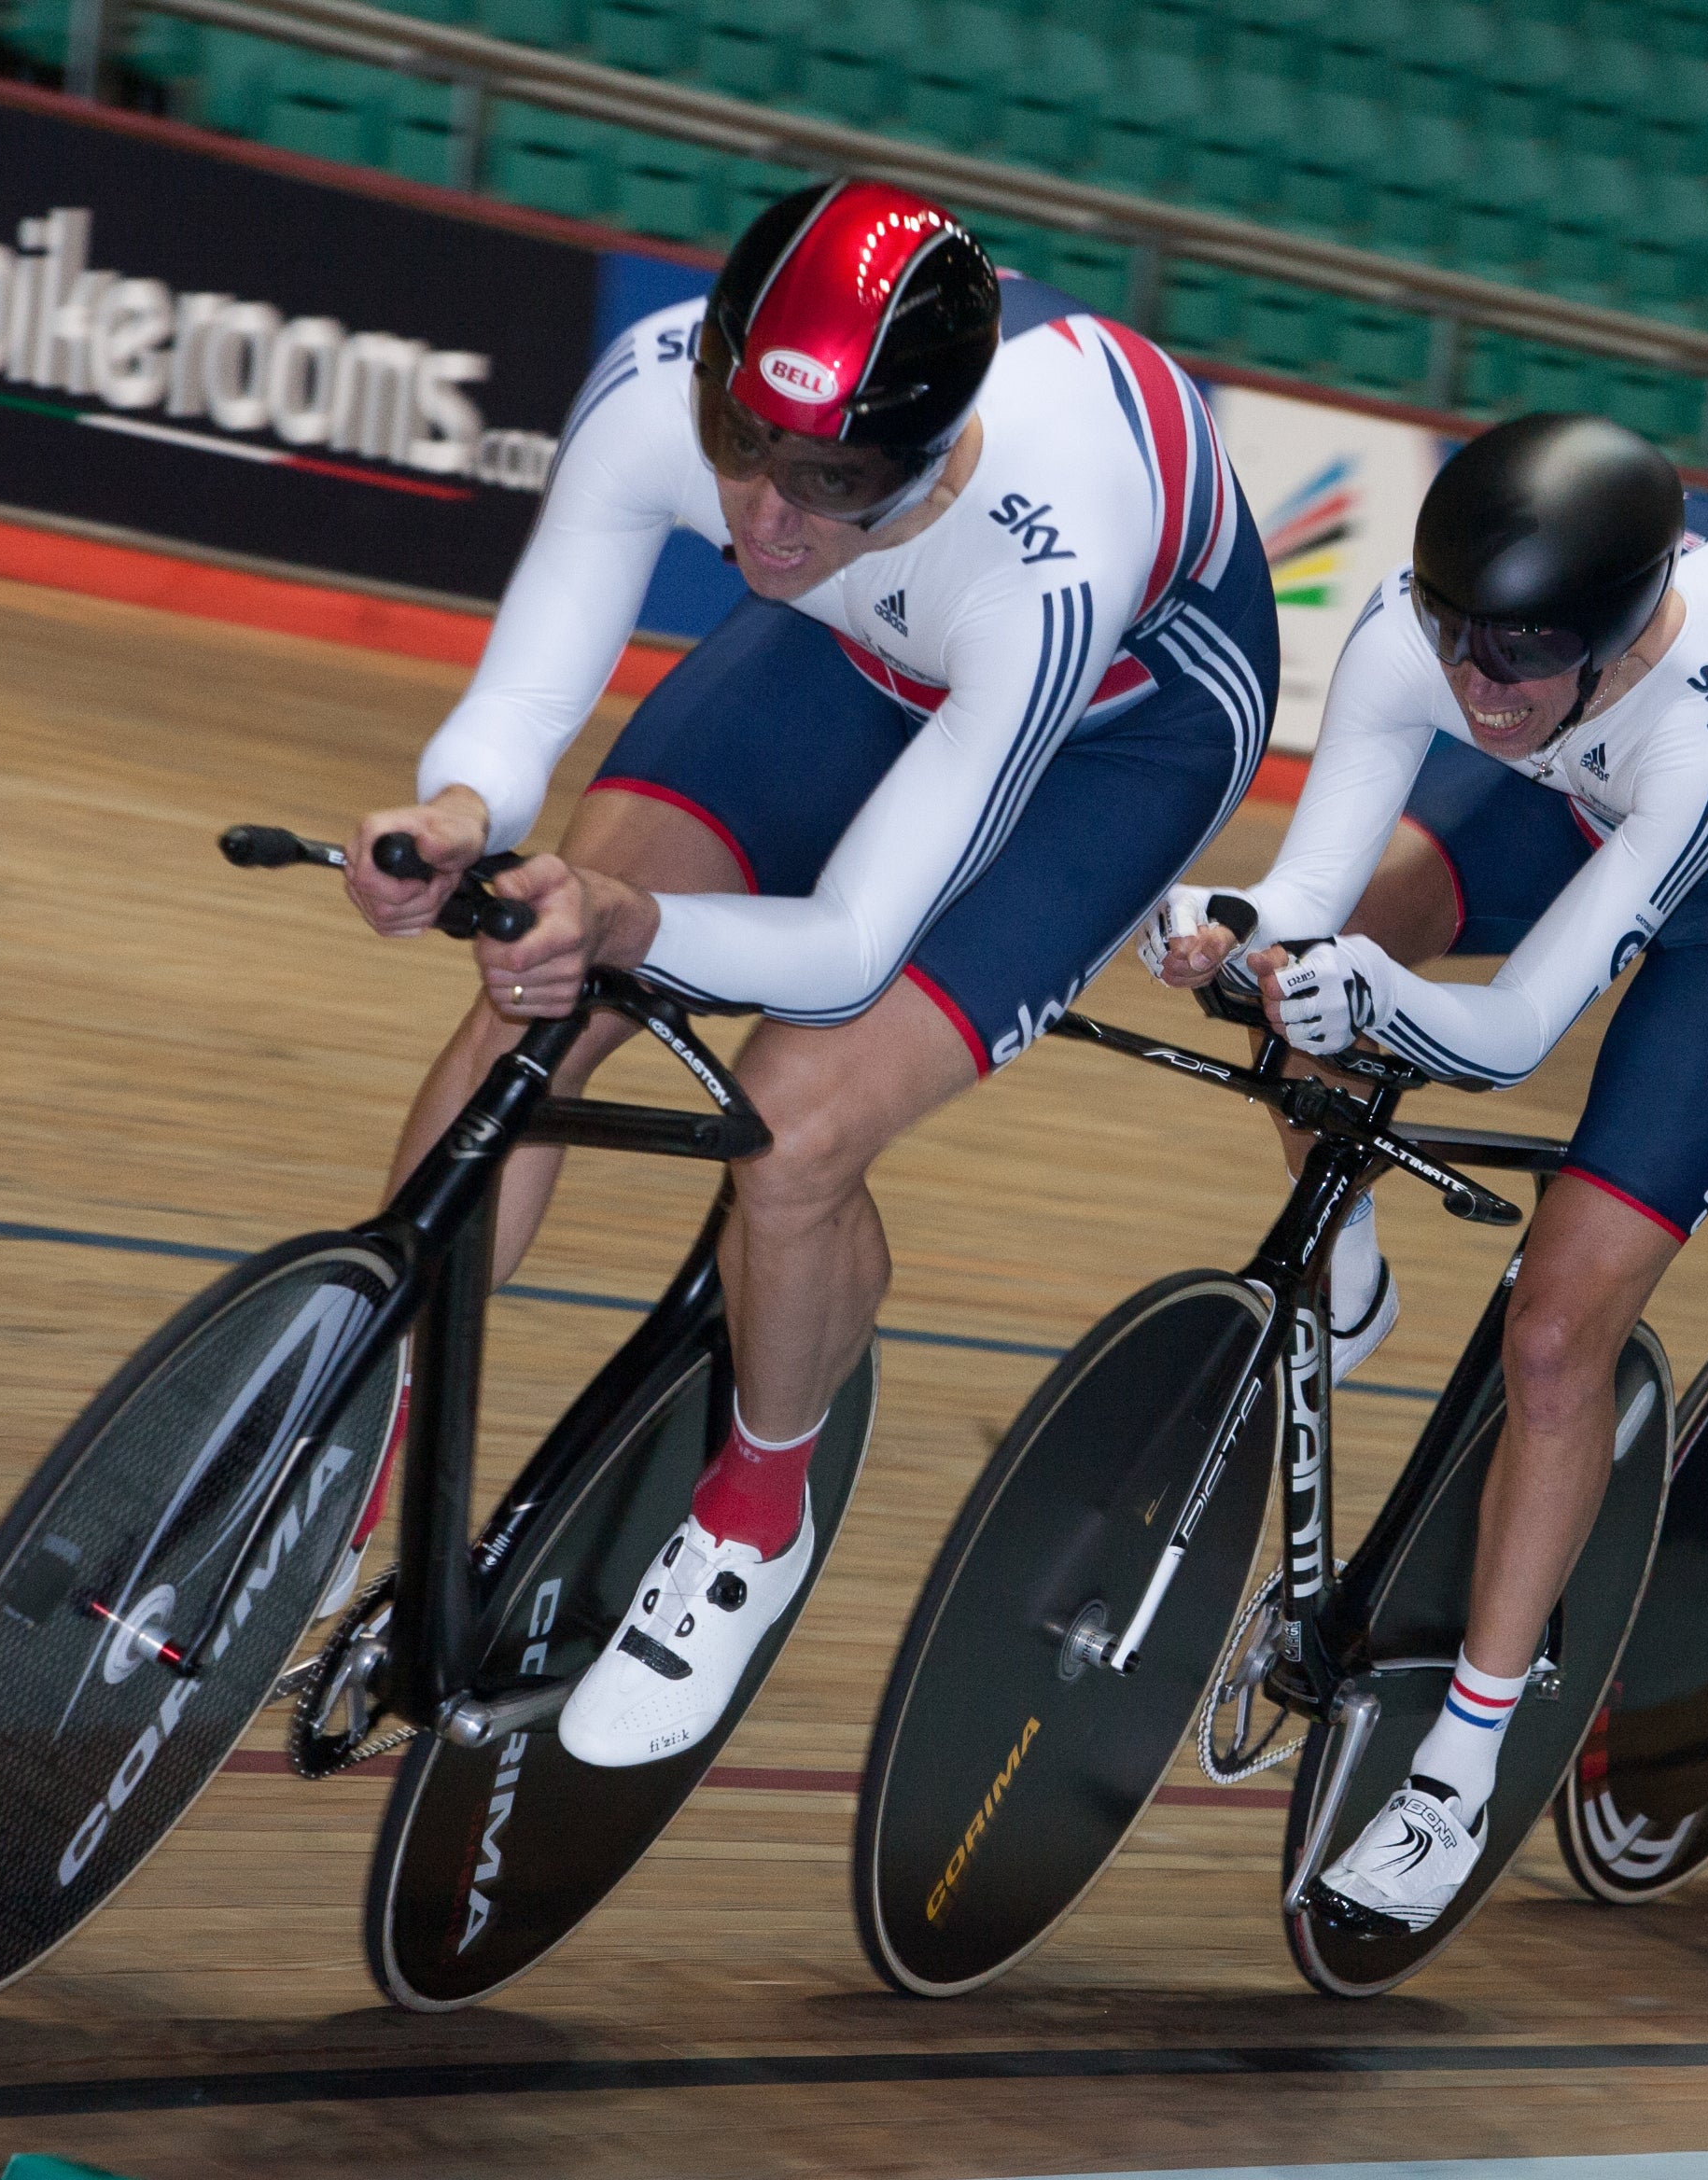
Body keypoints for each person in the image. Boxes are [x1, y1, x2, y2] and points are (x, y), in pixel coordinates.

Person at [340, 180, 1275, 1768]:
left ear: (921, 456)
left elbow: (847, 947)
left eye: (826, 478)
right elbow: (525, 695)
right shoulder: (669, 391)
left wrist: (627, 922)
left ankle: (751, 1520)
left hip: (1120, 731)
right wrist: (454, 819)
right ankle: (355, 1433)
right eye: (743, 453)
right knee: (526, 997)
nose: (761, 518)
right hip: (854, 641)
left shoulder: (1050, 549)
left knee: (790, 1124)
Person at [1144, 412, 1708, 1934]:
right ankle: (1343, 1289)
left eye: (1512, 660)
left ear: (1610, 643)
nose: (1471, 684)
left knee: (1554, 1334)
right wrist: (1231, 922)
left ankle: (1455, 1776)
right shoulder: (1436, 633)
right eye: (1454, 643)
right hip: (1576, 799)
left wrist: (1363, 997)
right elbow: (1306, 887)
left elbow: (1513, 1030)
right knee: (1321, 966)